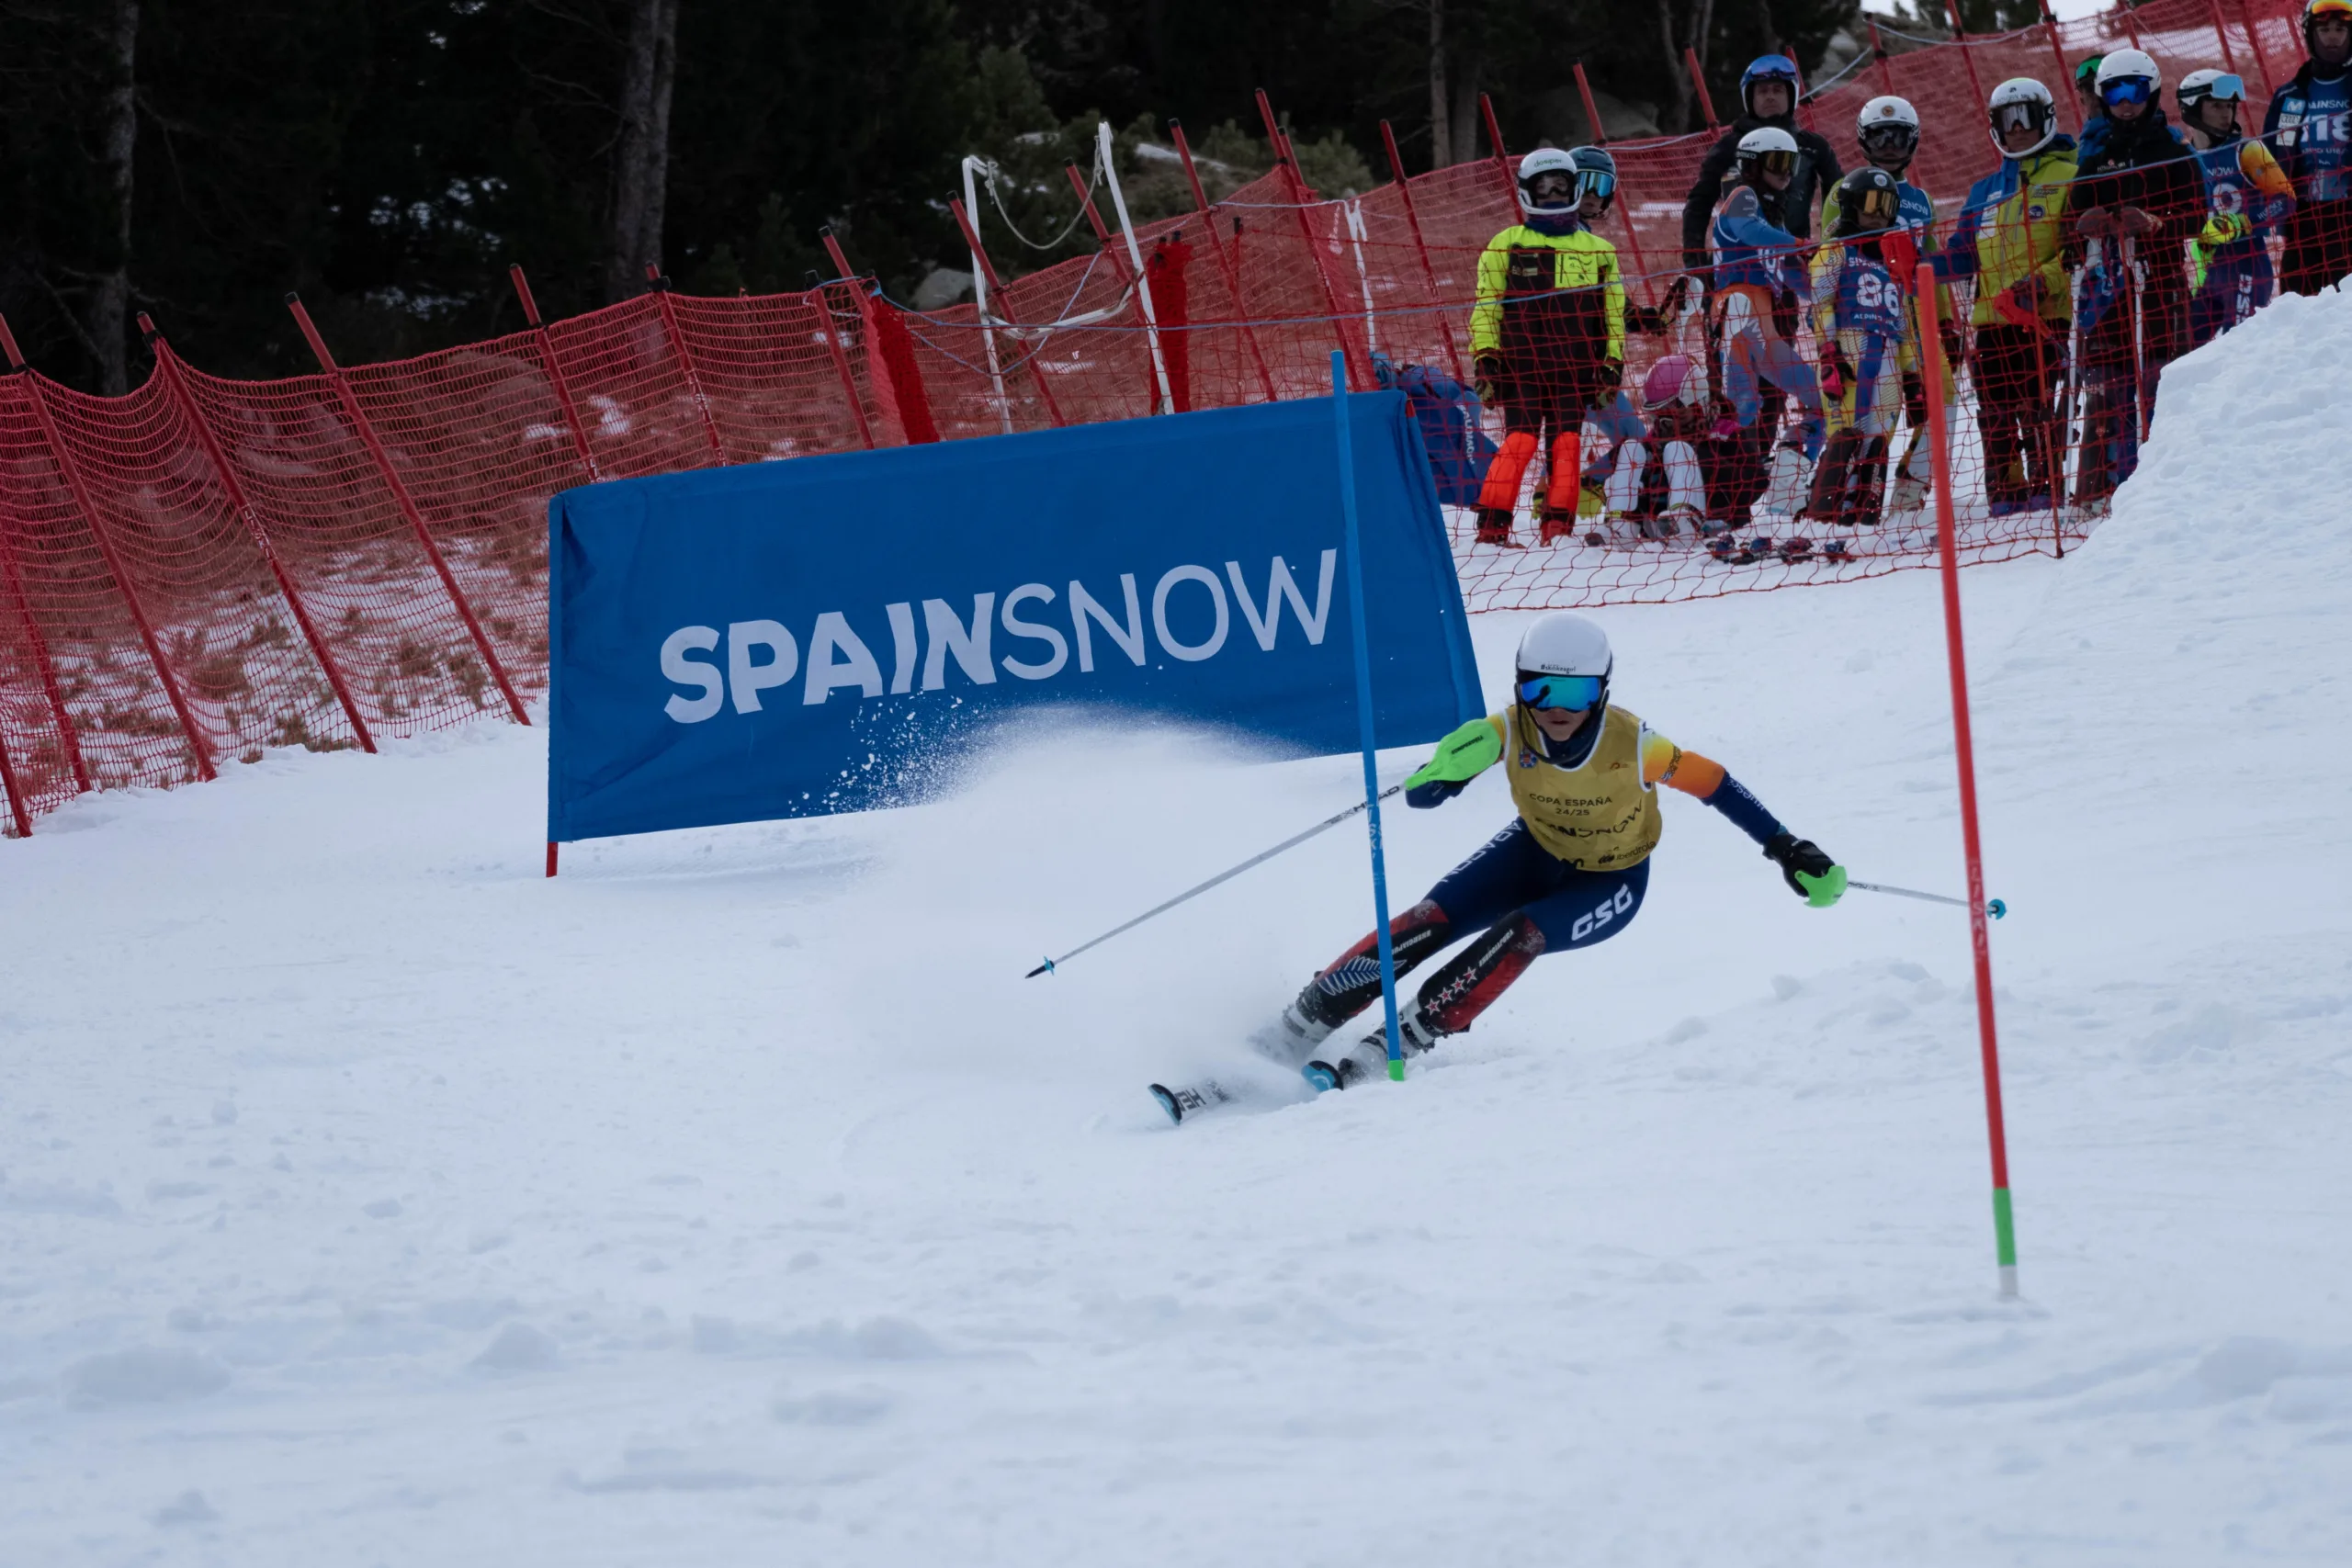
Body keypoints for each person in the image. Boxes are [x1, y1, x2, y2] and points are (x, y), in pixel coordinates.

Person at [1266, 612, 1844, 1087]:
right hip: (1531, 851)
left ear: (1602, 692)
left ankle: (1399, 1041)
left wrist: (1787, 847)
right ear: (1520, 685)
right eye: (1539, 687)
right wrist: (1437, 778)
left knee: (1520, 933)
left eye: (1575, 691)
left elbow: (1716, 783)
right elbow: (1428, 789)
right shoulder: (1504, 730)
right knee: (1427, 922)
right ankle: (1300, 1022)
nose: (1555, 707)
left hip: (1610, 881)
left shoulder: (1637, 745)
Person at [1933, 78, 2076, 517]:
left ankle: (2046, 488)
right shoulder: (1984, 190)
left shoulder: (2071, 174)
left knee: (2037, 406)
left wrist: (2040, 284)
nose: (2017, 128)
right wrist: (1914, 264)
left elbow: (2078, 251)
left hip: (2043, 316)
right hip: (1991, 320)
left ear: (2046, 118)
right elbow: (1962, 256)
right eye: (2006, 119)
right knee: (1995, 413)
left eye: (2026, 117)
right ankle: (2005, 494)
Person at [1469, 148, 1627, 547]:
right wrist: (1485, 359)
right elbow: (1486, 307)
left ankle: (1557, 530)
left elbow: (1614, 315)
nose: (1554, 192)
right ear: (1528, 191)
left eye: (1561, 184)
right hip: (1522, 369)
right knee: (1519, 440)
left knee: (1568, 444)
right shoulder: (1505, 244)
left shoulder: (1601, 252)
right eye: (1544, 186)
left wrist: (1612, 363)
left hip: (1574, 371)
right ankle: (1492, 527)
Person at [2069, 50, 2201, 506]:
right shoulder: (2098, 156)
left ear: (2152, 93)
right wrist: (2086, 225)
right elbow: (2072, 218)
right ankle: (2111, 484)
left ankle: (2168, 483)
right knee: (2110, 388)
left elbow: (2196, 216)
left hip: (2161, 285)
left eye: (2136, 92)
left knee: (2161, 382)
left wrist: (2157, 222)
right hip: (2110, 292)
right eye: (2116, 93)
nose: (2126, 103)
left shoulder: (2171, 151)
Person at [1820, 94, 1949, 515]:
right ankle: (1845, 492)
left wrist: (1944, 321)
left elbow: (1930, 264)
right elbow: (1831, 251)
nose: (1889, 144)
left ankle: (1910, 487)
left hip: (1911, 317)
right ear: (1863, 140)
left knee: (1940, 402)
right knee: (1863, 412)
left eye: (1898, 136)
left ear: (1912, 141)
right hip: (1860, 318)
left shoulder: (1922, 201)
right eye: (1879, 136)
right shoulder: (1844, 188)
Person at [1709, 126, 1825, 521]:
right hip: (1736, 310)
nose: (1786, 171)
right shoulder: (1742, 196)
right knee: (1742, 407)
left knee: (1818, 400)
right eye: (1776, 162)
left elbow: (1790, 275)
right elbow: (1749, 232)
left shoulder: (1772, 215)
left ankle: (1784, 483)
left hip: (1760, 320)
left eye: (1790, 163)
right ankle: (1722, 501)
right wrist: (1797, 243)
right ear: (1752, 165)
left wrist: (1825, 296)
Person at [1807, 167, 1918, 530]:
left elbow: (1903, 324)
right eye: (1871, 203)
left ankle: (1864, 510)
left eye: (1887, 205)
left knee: (1879, 434)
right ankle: (1825, 511)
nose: (1879, 213)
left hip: (1885, 350)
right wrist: (1828, 352)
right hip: (1849, 350)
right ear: (1851, 205)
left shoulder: (1893, 263)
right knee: (1847, 429)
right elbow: (1820, 303)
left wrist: (1912, 374)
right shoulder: (1836, 250)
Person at [1680, 53, 1844, 273]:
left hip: (1794, 264)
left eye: (1777, 90)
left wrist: (1831, 254)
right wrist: (1696, 268)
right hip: (1736, 266)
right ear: (1750, 97)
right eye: (1762, 91)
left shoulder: (1813, 147)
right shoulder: (1729, 146)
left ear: (1791, 95)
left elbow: (1839, 200)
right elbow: (1698, 206)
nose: (1770, 97)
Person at [2176, 69, 2294, 345]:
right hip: (2205, 270)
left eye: (2230, 106)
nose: (2226, 113)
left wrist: (2242, 223)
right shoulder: (2183, 156)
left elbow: (2285, 198)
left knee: (2238, 350)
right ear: (2191, 107)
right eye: (2216, 105)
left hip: (2247, 267)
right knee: (2182, 353)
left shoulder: (2248, 149)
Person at [2262, 0, 2352, 294]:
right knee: (2296, 304)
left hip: (2347, 214)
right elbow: (2275, 153)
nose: (2333, 37)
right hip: (2304, 217)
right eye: (2324, 29)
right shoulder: (2291, 95)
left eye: (2340, 29)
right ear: (2310, 35)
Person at [2075, 55, 2111, 165]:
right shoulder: (2082, 149)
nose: (2097, 94)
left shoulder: (2152, 132)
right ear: (2082, 100)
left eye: (2104, 86)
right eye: (2090, 89)